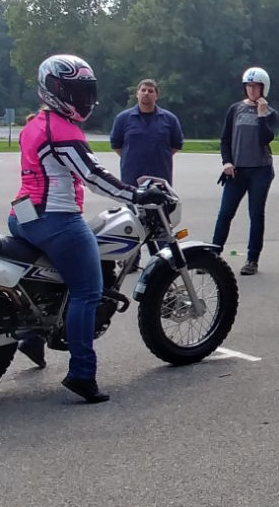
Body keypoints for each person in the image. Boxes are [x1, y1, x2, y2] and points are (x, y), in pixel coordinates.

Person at [9, 54, 170, 403]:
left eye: (84, 90)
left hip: (23, 215)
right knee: (87, 290)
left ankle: (33, 337)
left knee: (47, 278)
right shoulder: (62, 131)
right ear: (53, 89)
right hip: (56, 219)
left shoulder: (35, 124)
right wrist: (139, 194)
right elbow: (96, 178)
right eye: (73, 90)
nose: (81, 97)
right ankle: (82, 372)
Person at [211, 67, 279, 276]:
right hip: (236, 171)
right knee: (225, 214)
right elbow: (225, 139)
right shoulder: (235, 109)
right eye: (248, 86)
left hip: (260, 170)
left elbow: (266, 138)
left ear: (263, 87)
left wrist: (261, 115)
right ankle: (212, 255)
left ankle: (252, 259)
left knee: (256, 214)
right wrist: (226, 162)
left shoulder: (270, 113)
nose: (251, 90)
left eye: (255, 86)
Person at [109, 78, 184, 186]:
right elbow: (116, 144)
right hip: (132, 177)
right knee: (133, 202)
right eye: (143, 90)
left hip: (160, 176)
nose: (146, 93)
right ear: (137, 94)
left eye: (150, 91)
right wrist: (132, 156)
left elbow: (176, 144)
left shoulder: (170, 119)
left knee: (160, 202)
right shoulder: (123, 119)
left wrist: (157, 155)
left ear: (156, 96)